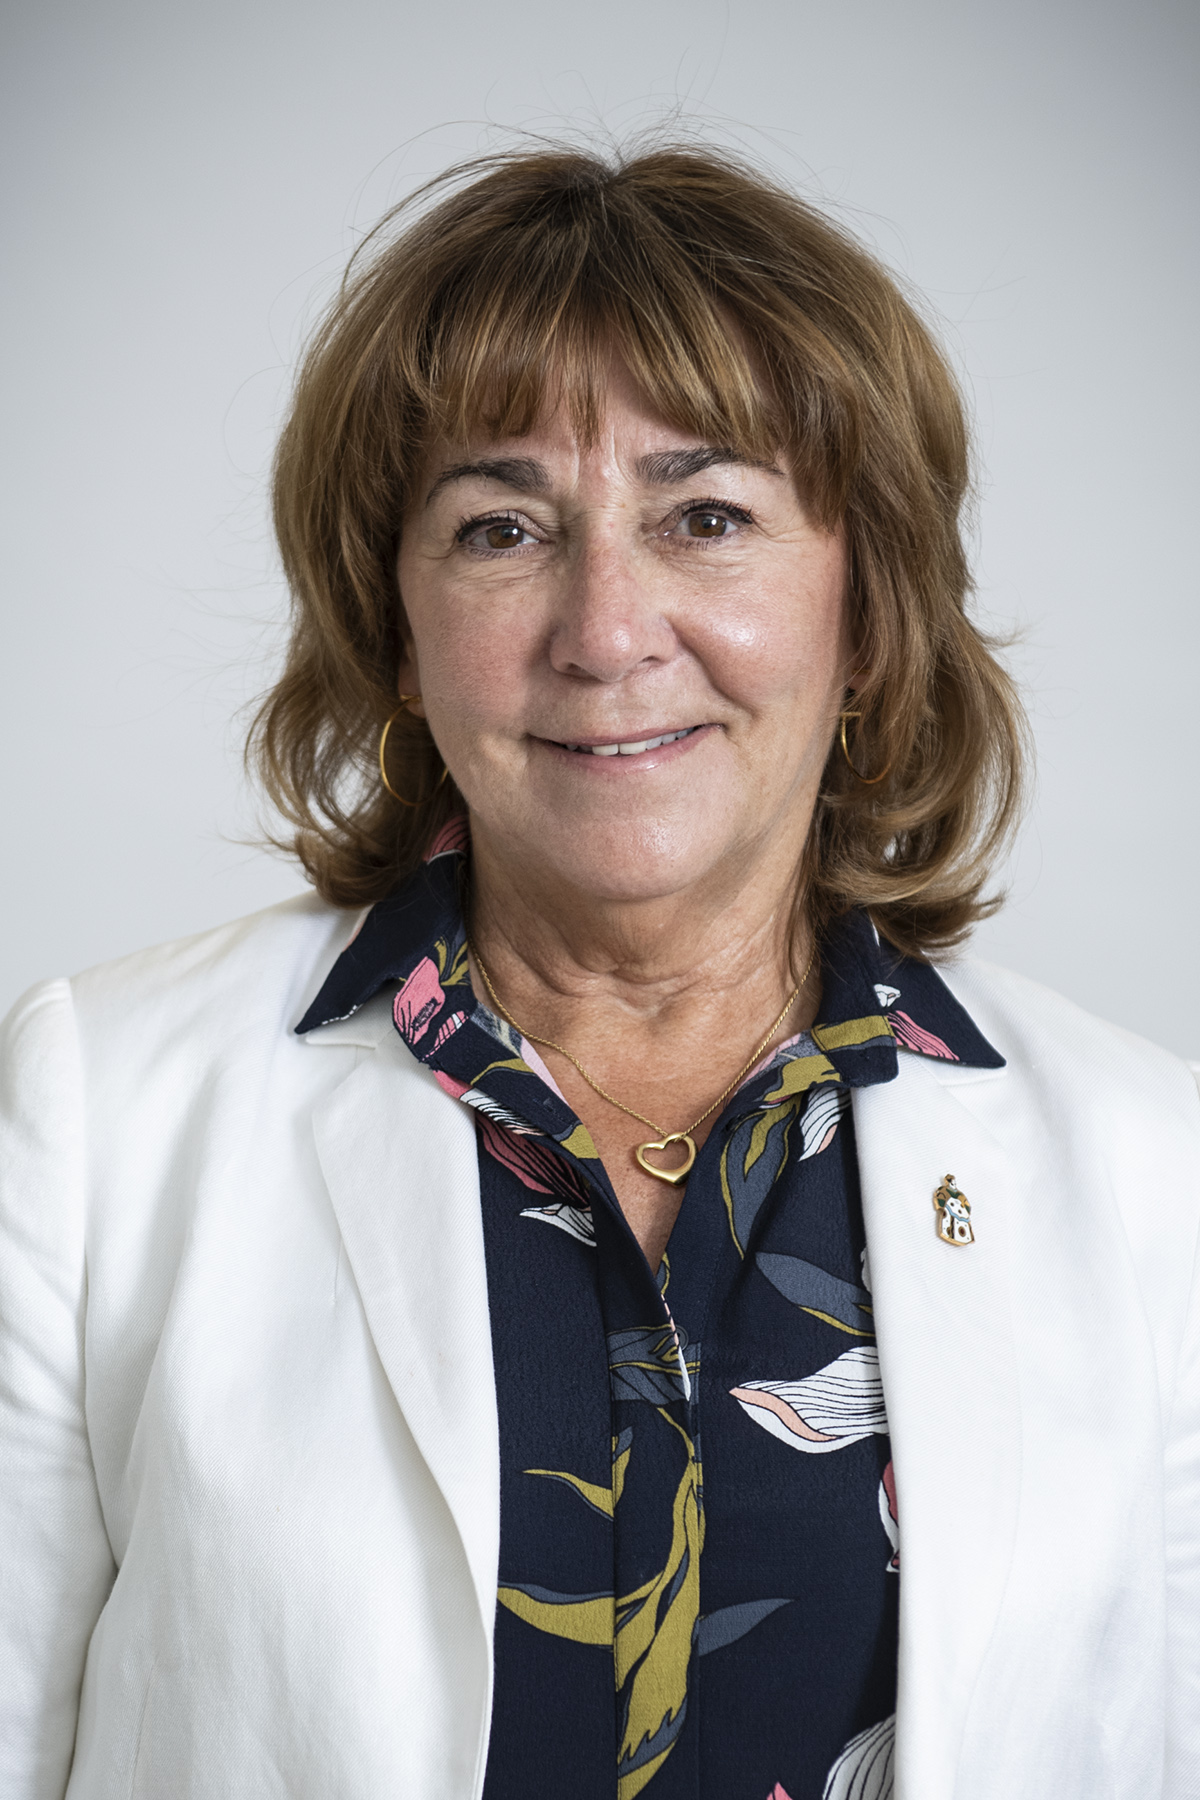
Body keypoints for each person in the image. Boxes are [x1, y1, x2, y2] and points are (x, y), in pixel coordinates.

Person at [1, 142, 1197, 1800]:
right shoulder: (100, 1114)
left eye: (708, 517)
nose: (607, 630)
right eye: (502, 529)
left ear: (866, 613)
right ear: (395, 624)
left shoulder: (1154, 1174)